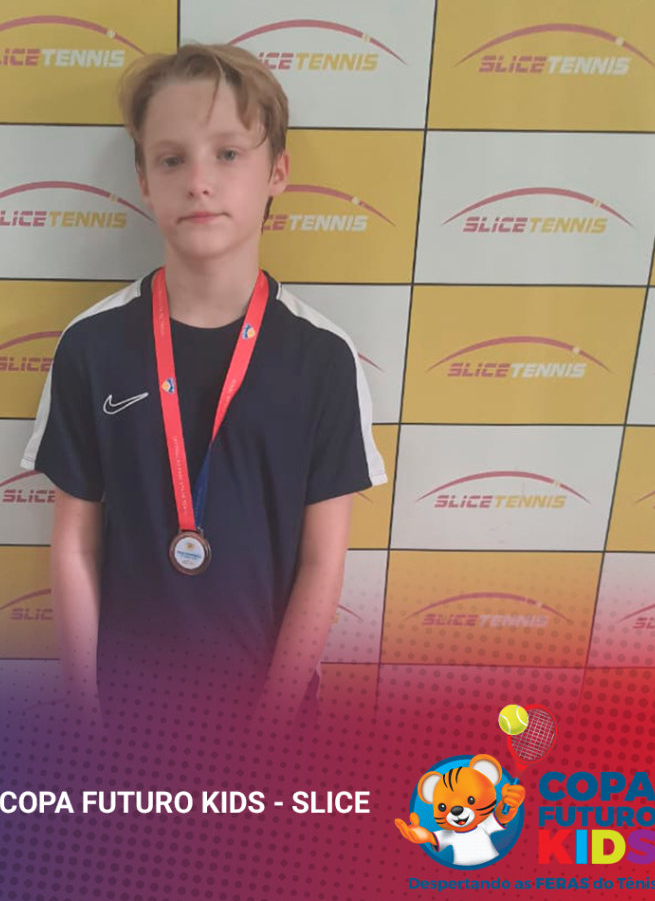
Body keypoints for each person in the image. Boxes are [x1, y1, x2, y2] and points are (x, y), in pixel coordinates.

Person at [20, 43, 386, 726]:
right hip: (123, 721)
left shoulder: (323, 358)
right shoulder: (92, 346)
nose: (198, 181)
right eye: (171, 159)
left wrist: (271, 725)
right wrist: (84, 714)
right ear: (142, 180)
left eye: (228, 153)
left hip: (271, 719)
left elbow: (322, 562)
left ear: (277, 171)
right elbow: (75, 543)